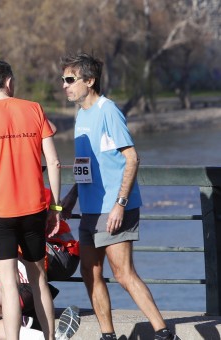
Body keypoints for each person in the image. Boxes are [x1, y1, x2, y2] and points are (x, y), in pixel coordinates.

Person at [59, 53, 180, 340]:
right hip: (90, 209)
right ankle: (108, 335)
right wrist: (72, 196)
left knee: (123, 274)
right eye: (63, 80)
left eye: (69, 79)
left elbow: (133, 158)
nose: (64, 85)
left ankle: (164, 333)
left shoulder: (108, 111)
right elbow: (88, 165)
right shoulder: (81, 115)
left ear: (89, 81)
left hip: (113, 208)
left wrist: (119, 205)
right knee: (90, 272)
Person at [0, 60, 62, 340]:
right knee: (38, 279)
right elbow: (54, 163)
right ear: (9, 82)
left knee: (8, 286)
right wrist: (55, 208)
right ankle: (50, 338)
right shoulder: (34, 109)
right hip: (34, 209)